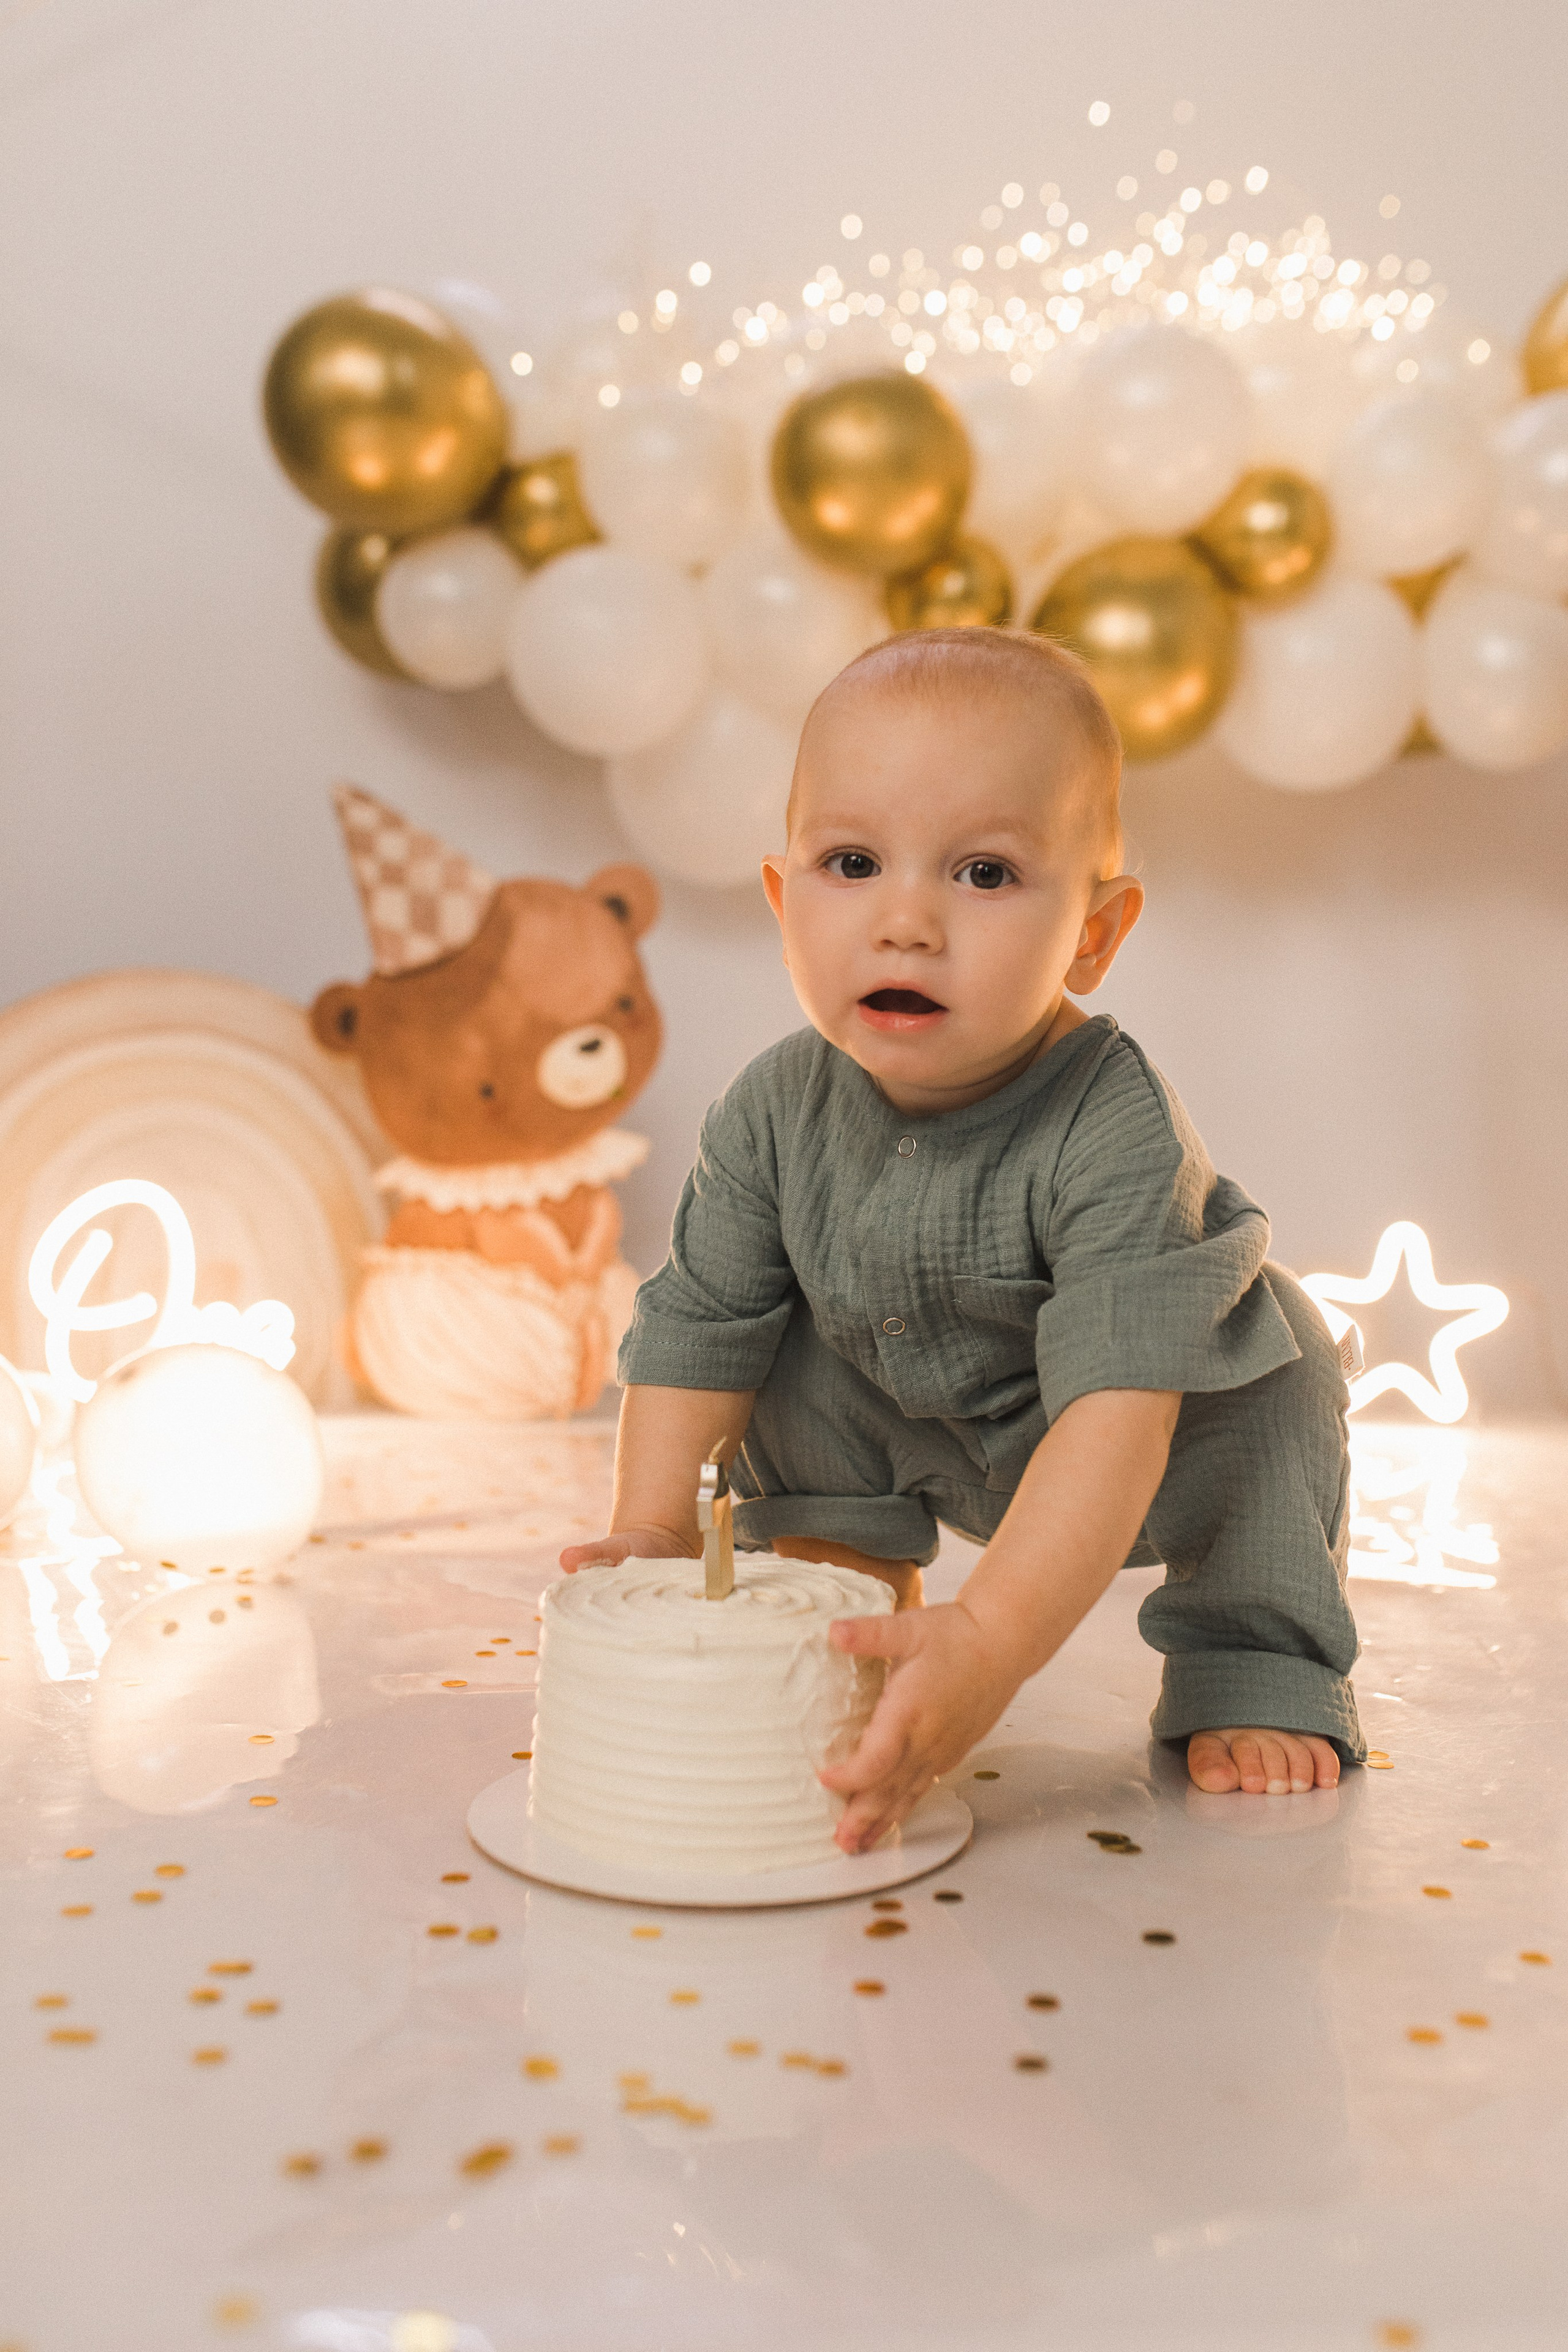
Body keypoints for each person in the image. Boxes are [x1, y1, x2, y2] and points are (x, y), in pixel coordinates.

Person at [561, 626, 1363, 1854]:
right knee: (772, 1349)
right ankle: (839, 1594)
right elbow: (694, 1327)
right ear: (781, 903)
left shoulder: (1113, 1120)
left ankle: (1253, 1657)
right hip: (898, 1419)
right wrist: (656, 1527)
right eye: (850, 862)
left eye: (982, 875)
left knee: (1281, 1374)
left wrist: (992, 1644)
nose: (905, 922)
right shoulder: (772, 1109)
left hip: (1129, 1436)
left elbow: (1117, 1412)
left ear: (1092, 935)